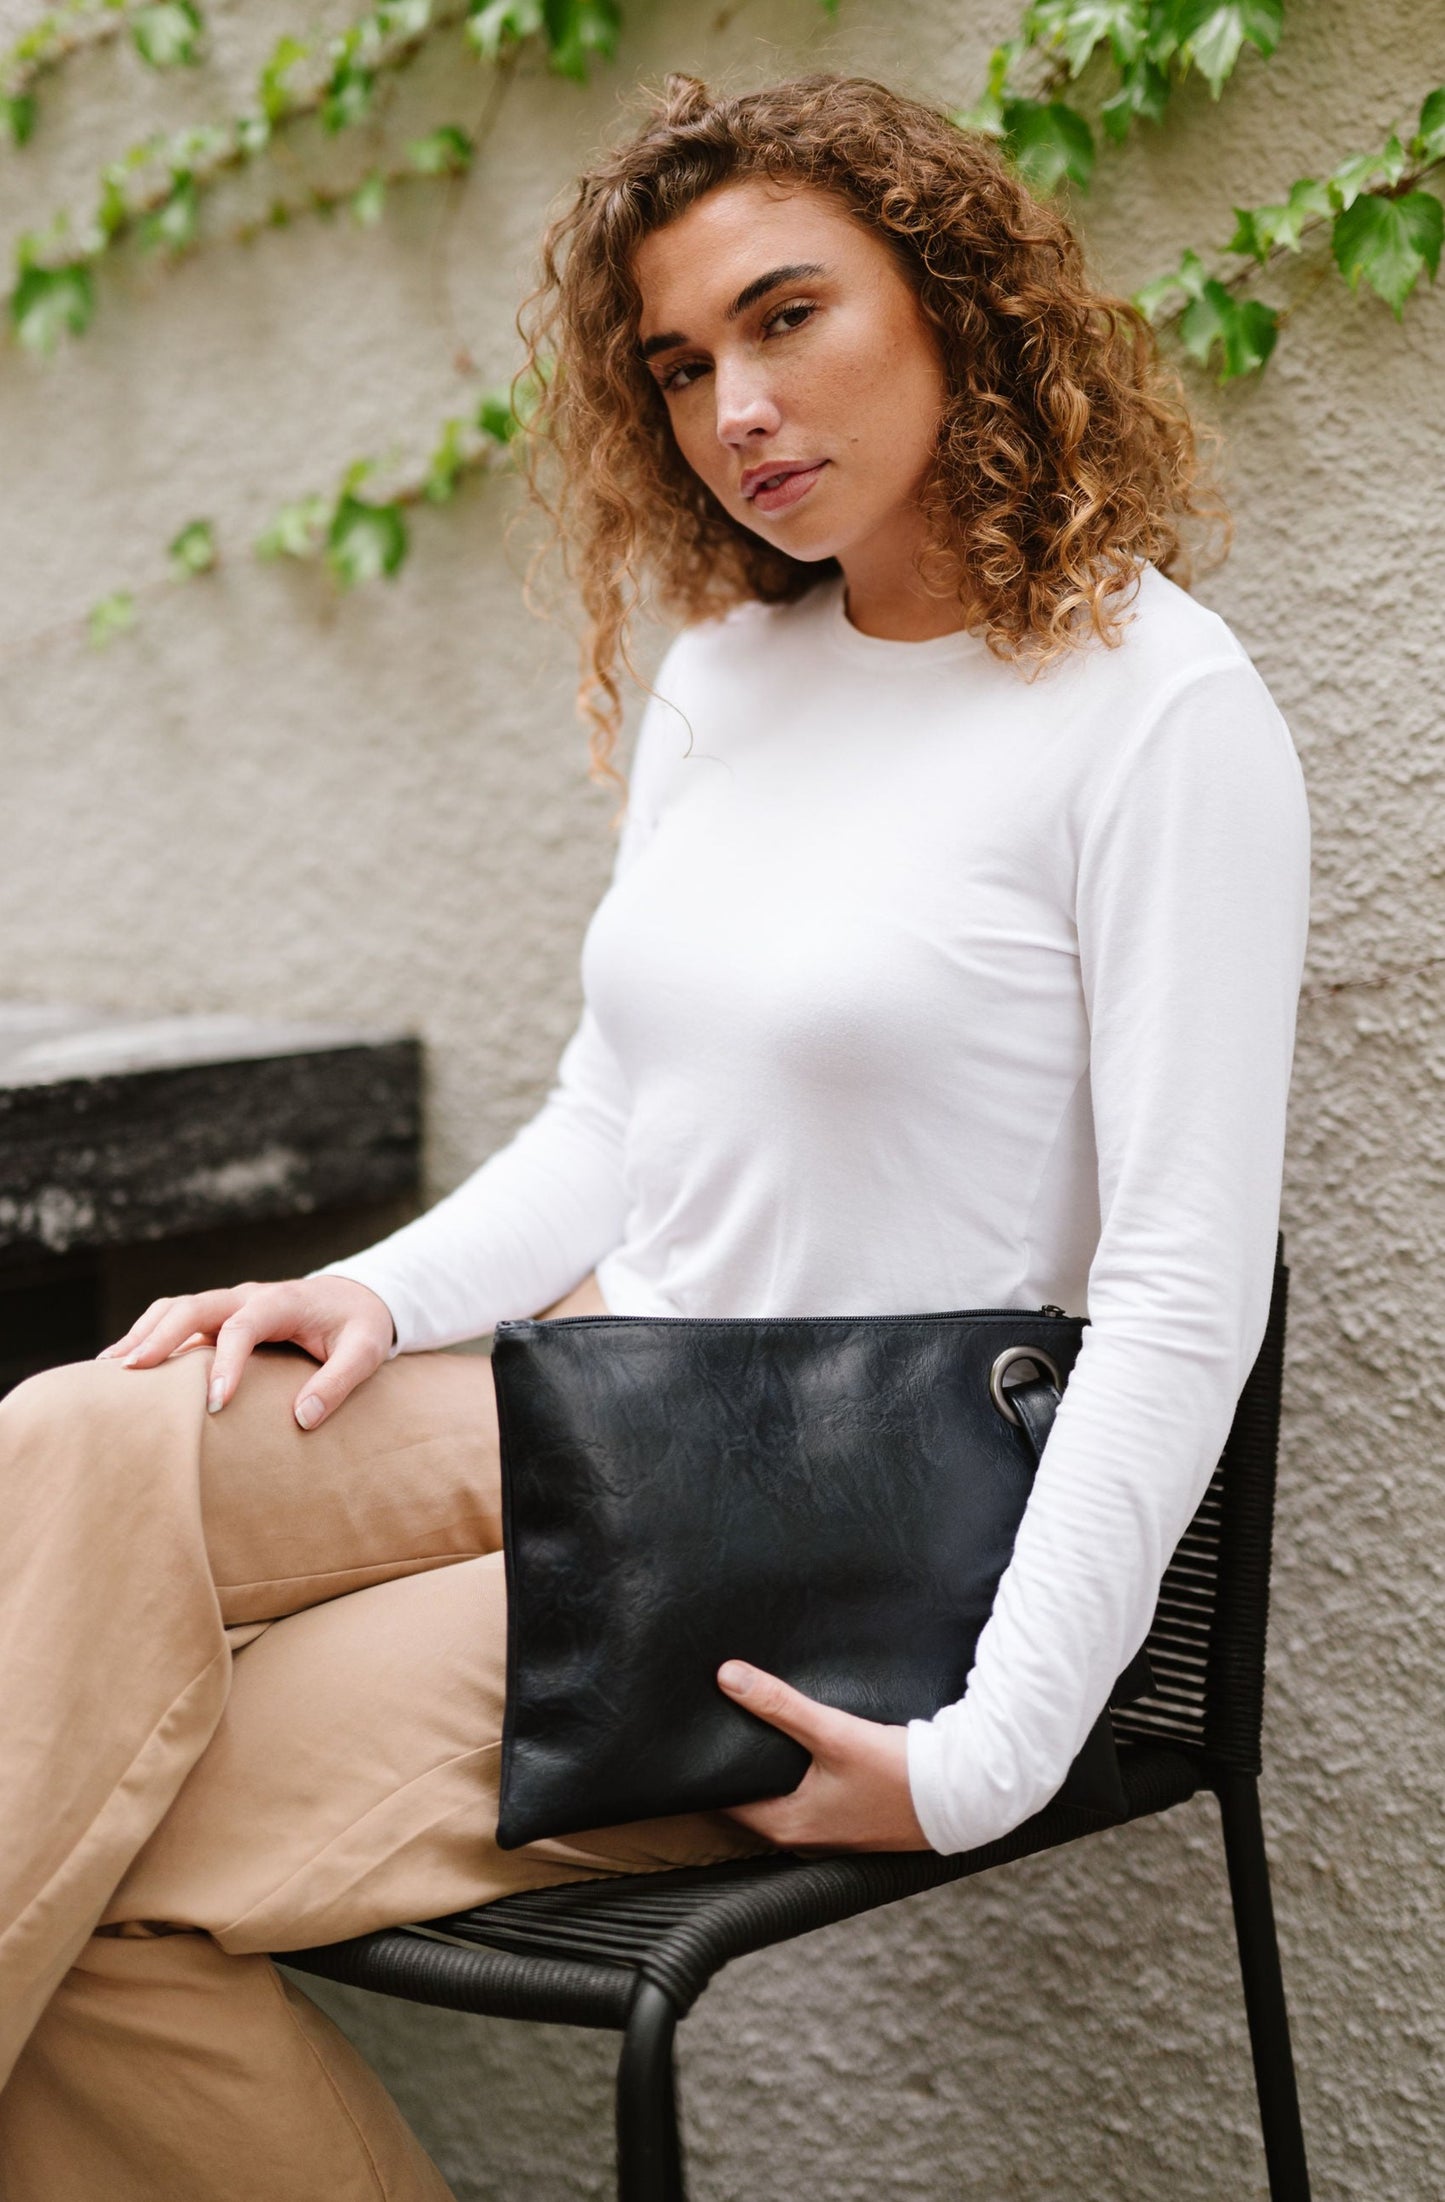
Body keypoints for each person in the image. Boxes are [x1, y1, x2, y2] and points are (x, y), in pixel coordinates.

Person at [0, 69, 1310, 2200]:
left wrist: (987, 1756)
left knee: (88, 1879)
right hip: (601, 1398)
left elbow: (1180, 1286)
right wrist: (370, 1290)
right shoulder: (731, 668)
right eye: (682, 364)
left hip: (837, 1527)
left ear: (953, 299)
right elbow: (617, 1110)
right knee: (66, 1428)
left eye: (787, 318)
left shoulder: (1154, 710)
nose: (737, 411)